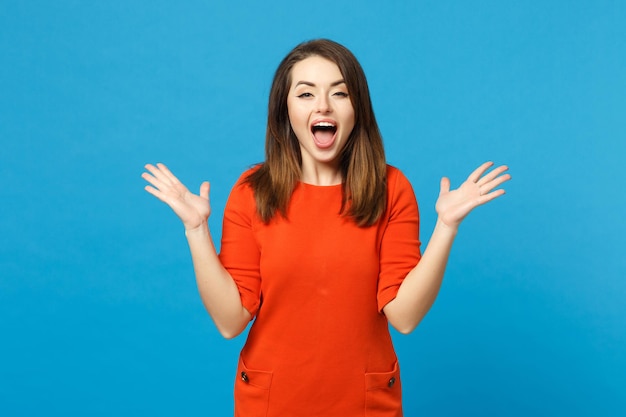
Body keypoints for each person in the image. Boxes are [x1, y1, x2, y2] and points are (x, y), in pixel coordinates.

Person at [142, 39, 510, 417]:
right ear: (285, 109)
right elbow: (229, 320)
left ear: (357, 110)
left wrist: (446, 227)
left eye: (339, 93)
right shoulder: (253, 192)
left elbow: (404, 316)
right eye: (305, 93)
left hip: (365, 402)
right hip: (271, 401)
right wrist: (196, 230)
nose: (323, 106)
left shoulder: (391, 189)